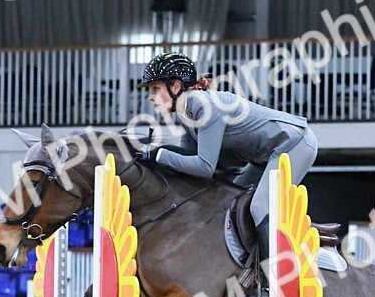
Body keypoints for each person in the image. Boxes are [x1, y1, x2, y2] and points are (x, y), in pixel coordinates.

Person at [135, 52, 318, 265]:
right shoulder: (187, 111)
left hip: (294, 144)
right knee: (228, 201)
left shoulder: (204, 106)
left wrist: (159, 154)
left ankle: (274, 279)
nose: (150, 96)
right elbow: (189, 160)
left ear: (175, 87)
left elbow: (204, 167)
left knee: (259, 207)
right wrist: (156, 157)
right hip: (265, 156)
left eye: (155, 88)